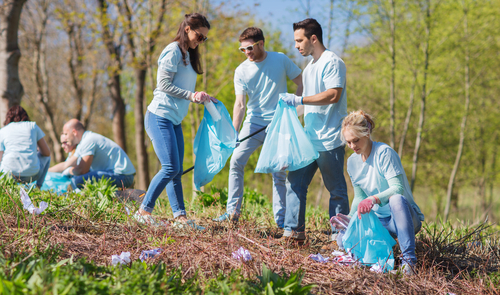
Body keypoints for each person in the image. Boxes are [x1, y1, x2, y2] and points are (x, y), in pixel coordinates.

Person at [213, 27, 303, 228]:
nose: (247, 53)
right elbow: (240, 105)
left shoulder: (280, 60)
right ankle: (232, 213)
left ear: (261, 44)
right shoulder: (241, 70)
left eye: (250, 48)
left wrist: (292, 112)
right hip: (253, 123)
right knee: (236, 161)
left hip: (278, 124)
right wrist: (234, 133)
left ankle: (281, 221)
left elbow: (301, 82)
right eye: (242, 49)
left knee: (278, 171)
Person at [134, 13, 215, 229]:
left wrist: (202, 97)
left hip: (174, 120)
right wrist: (191, 95)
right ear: (187, 29)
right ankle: (143, 211)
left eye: (204, 39)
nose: (201, 41)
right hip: (159, 116)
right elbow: (163, 84)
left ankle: (180, 218)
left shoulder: (189, 55)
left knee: (176, 171)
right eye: (200, 36)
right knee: (170, 167)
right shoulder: (172, 51)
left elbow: (185, 88)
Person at [332, 110, 425, 274]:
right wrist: (350, 218)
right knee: (342, 239)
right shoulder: (352, 162)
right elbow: (360, 197)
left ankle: (409, 262)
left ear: (367, 133)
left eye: (356, 140)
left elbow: (398, 188)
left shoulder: (384, 153)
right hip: (379, 222)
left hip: (402, 218)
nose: (353, 146)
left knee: (396, 199)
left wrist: (373, 199)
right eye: (348, 142)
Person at [281, 18, 349, 241]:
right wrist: (288, 111)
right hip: (308, 139)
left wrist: (299, 98)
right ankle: (294, 233)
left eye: (299, 41)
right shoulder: (308, 67)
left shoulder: (332, 62)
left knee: (336, 191)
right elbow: (306, 103)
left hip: (330, 140)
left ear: (313, 38)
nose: (296, 46)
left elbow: (332, 95)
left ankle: (340, 239)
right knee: (294, 183)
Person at [54, 119, 136, 189]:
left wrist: (68, 171)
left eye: (65, 134)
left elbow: (82, 170)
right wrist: (47, 172)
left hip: (123, 176)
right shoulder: (83, 142)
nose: (64, 136)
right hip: (116, 174)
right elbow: (66, 164)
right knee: (78, 178)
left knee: (78, 180)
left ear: (74, 132)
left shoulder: (88, 140)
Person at [0, 105, 51, 187]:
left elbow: (0, 157)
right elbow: (46, 153)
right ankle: (38, 187)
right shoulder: (33, 126)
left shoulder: (3, 130)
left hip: (8, 175)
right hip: (32, 174)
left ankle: (4, 187)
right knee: (47, 158)